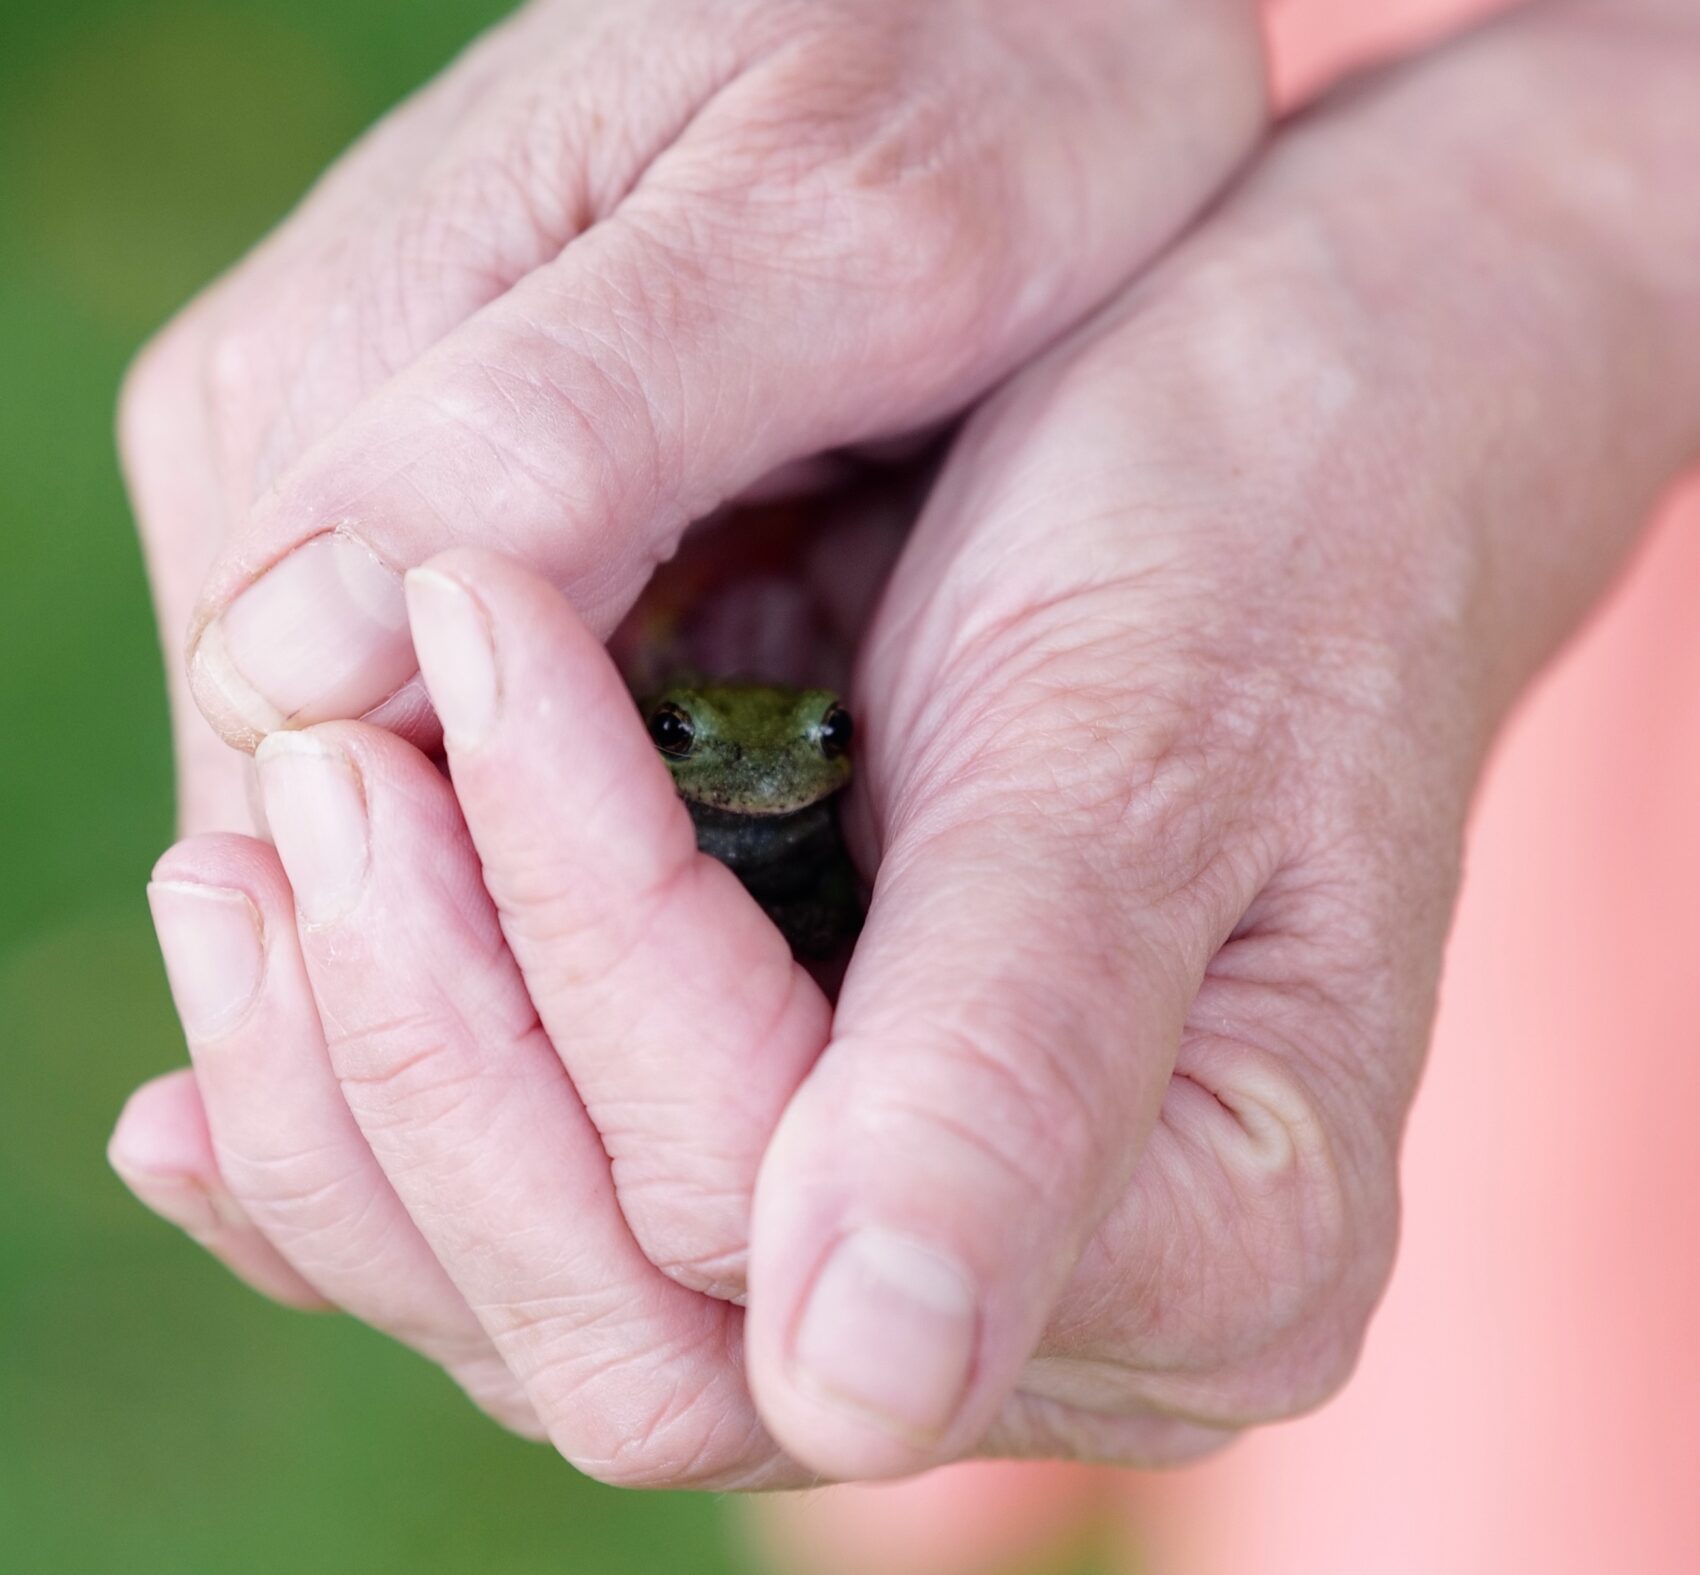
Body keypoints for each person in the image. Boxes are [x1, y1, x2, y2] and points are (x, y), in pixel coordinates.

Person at [107, 0, 1700, 1537]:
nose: (749, 763)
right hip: (1132, 193)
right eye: (686, 741)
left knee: (1514, 1382)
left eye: (815, 745)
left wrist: (1572, 200)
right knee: (894, 1212)